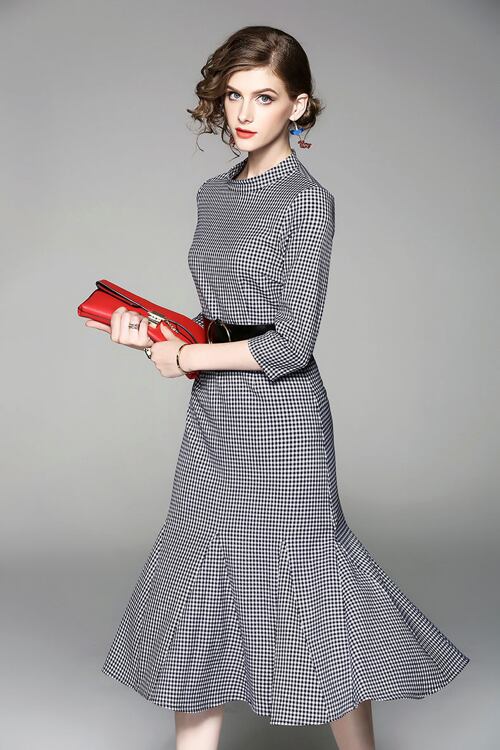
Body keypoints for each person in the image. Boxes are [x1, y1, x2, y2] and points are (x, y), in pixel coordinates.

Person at [87, 25, 470, 750]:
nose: (243, 112)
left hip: (282, 420)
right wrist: (156, 339)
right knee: (199, 582)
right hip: (214, 413)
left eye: (264, 97)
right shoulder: (212, 194)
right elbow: (221, 315)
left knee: (309, 590)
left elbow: (292, 343)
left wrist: (189, 357)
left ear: (298, 106)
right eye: (234, 95)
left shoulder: (308, 202)